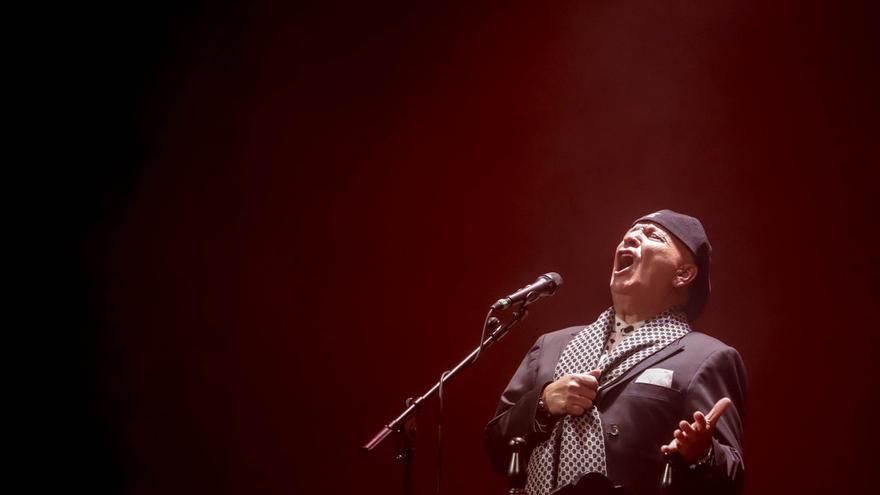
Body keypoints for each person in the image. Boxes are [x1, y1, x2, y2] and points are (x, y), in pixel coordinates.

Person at [484, 210, 746, 495]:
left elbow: (731, 479)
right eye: (628, 234)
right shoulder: (551, 346)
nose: (630, 238)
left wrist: (703, 453)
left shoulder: (705, 357)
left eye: (652, 235)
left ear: (683, 274)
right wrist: (542, 405)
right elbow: (496, 447)